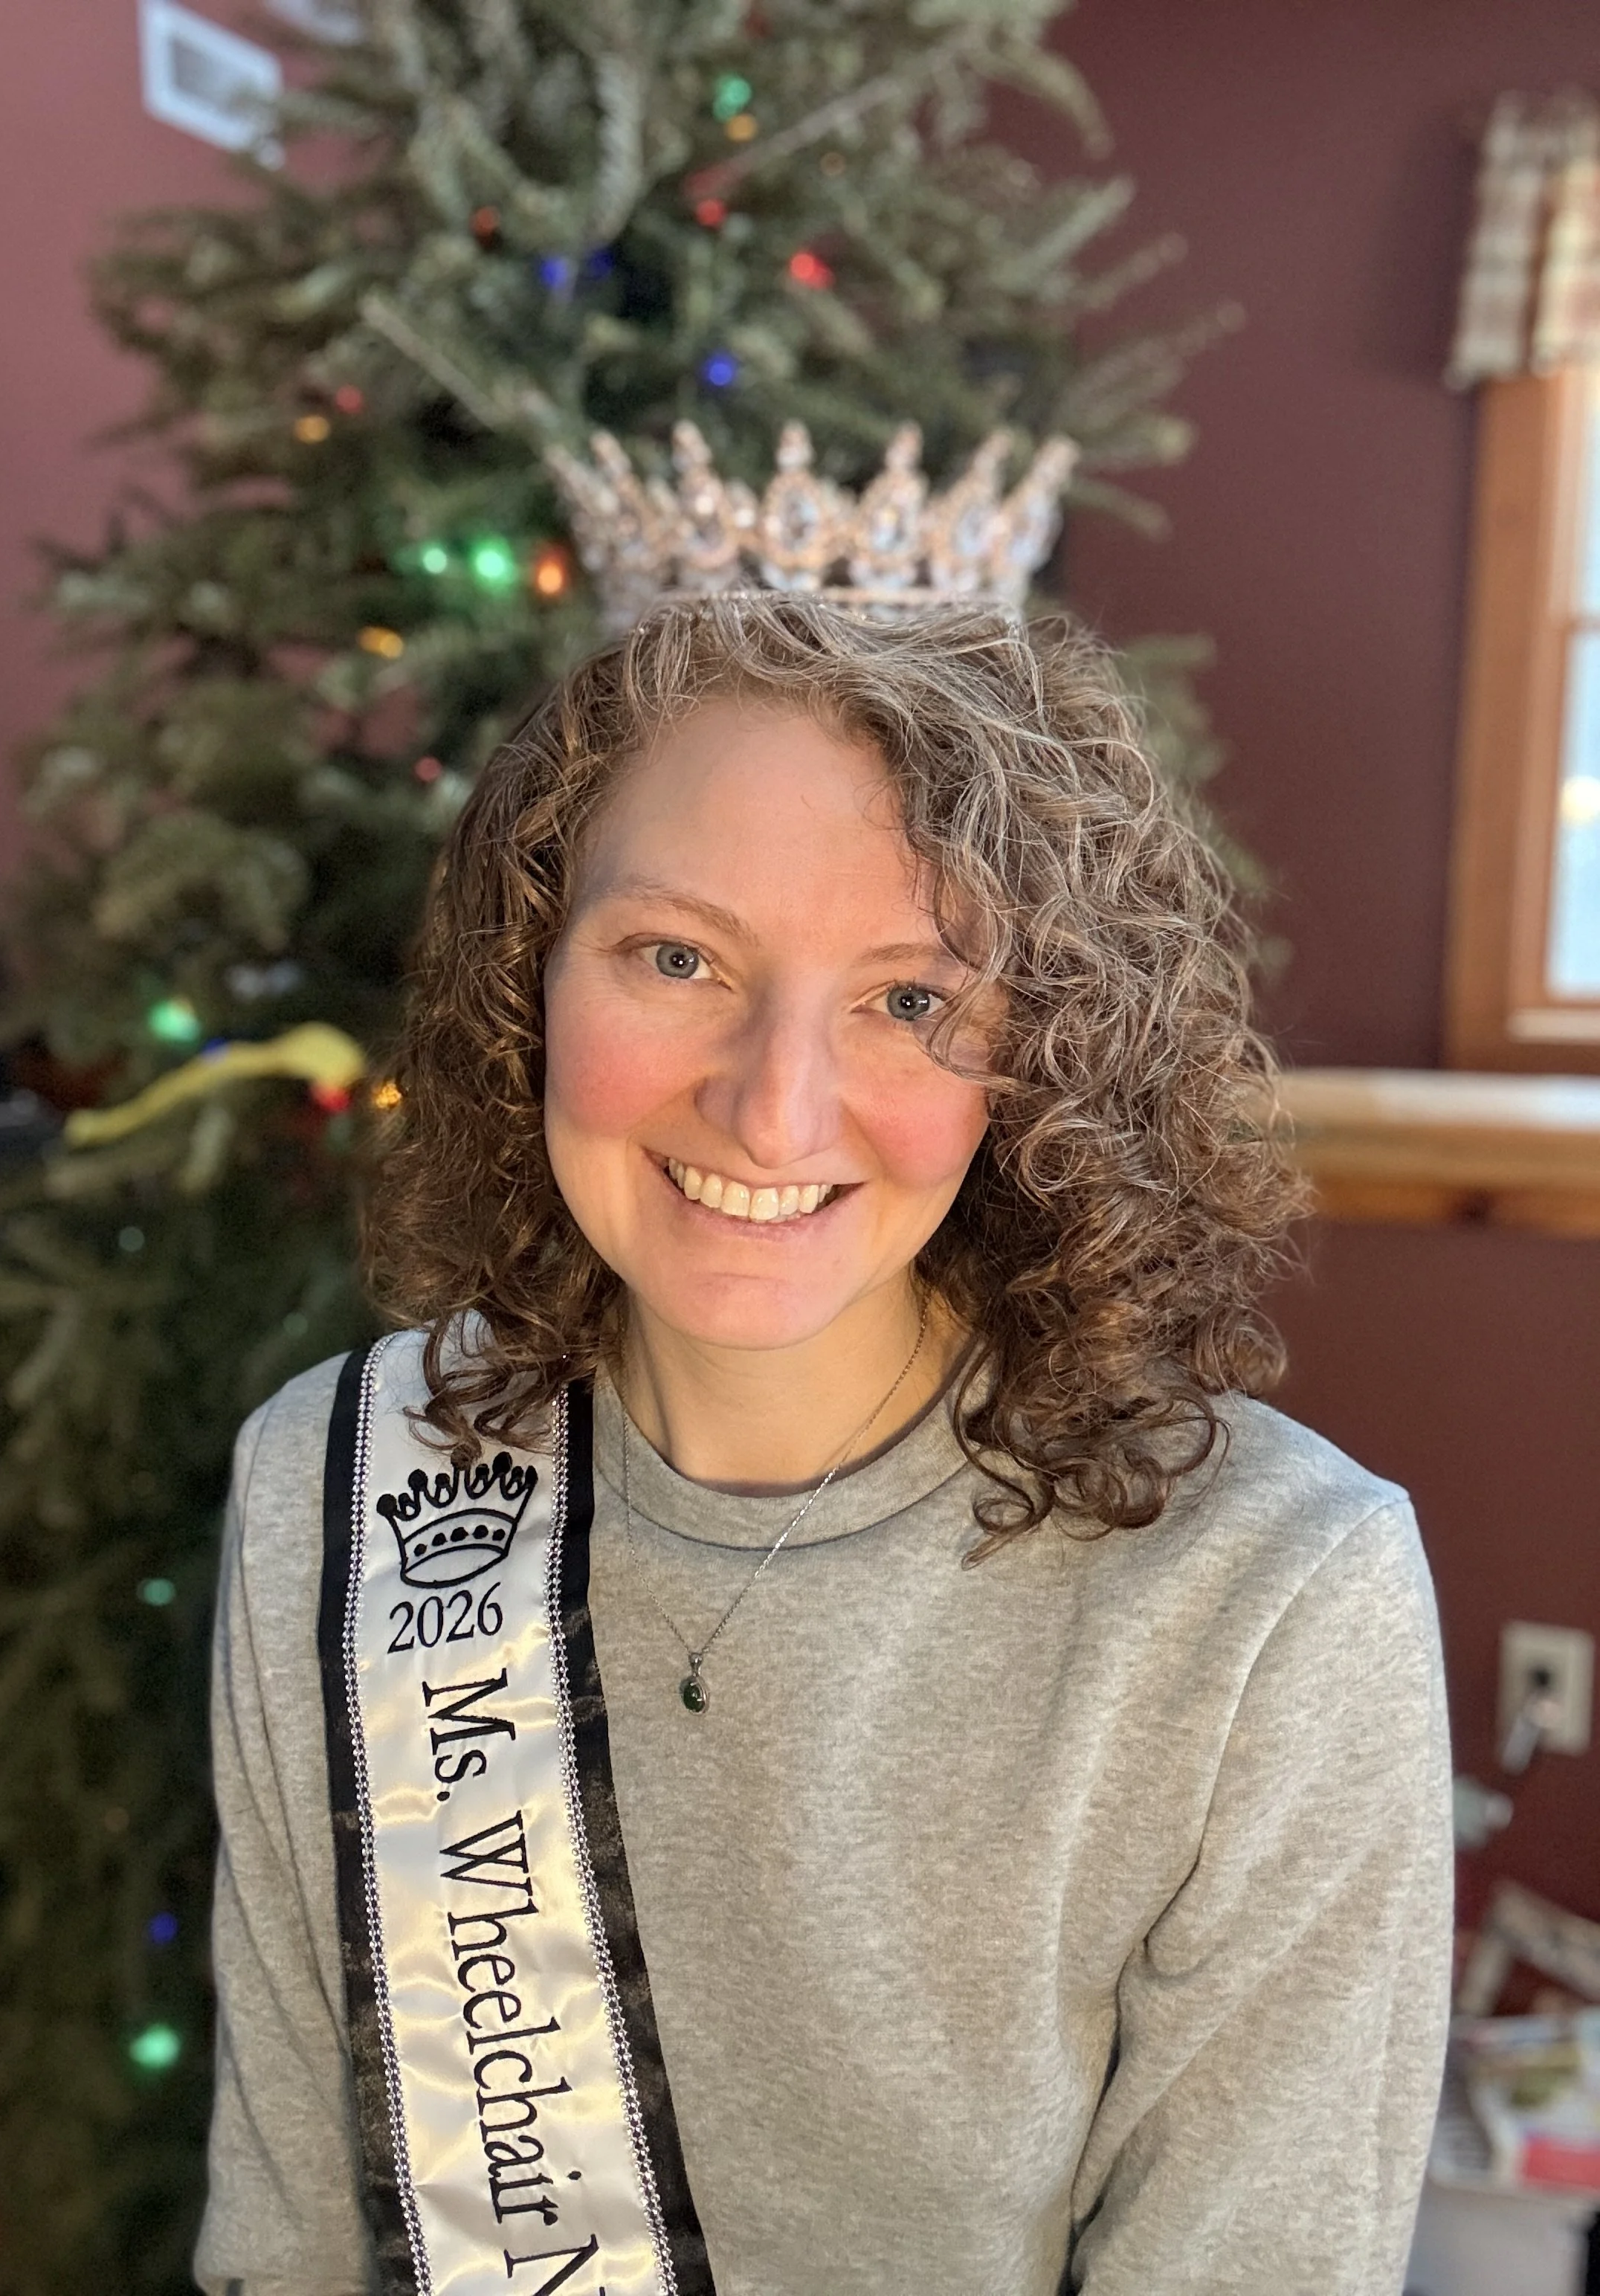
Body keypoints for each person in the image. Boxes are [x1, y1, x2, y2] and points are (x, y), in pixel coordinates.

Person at [195, 593, 1451, 2296]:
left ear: (1041, 1048)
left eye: (911, 998)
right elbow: (288, 2244)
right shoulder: (338, 1487)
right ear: (531, 970)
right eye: (677, 957)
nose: (775, 1107)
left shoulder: (1270, 1599)